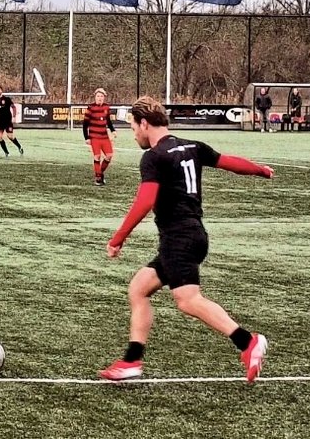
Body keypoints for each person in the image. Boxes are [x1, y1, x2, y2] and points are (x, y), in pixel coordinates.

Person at [99, 95, 274, 383]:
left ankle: (248, 342)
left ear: (144, 123)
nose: (134, 135)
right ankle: (131, 360)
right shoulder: (192, 146)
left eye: (133, 128)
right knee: (139, 289)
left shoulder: (153, 157)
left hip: (179, 237)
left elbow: (145, 201)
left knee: (188, 300)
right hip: (192, 235)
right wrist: (260, 170)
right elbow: (228, 162)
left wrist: (119, 238)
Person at [83, 87, 116, 185]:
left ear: (104, 97)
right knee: (97, 156)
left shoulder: (106, 107)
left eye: (101, 96)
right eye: (98, 96)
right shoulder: (90, 108)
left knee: (109, 156)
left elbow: (108, 121)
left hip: (104, 136)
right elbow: (85, 124)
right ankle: (98, 178)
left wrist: (113, 130)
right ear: (95, 97)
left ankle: (100, 173)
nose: (99, 98)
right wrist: (87, 137)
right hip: (94, 137)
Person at [0, 84, 23, 157]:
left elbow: (14, 107)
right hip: (0, 121)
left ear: (1, 90)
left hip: (8, 121)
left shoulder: (7, 99)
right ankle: (7, 153)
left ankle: (19, 146)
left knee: (10, 137)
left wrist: (14, 116)